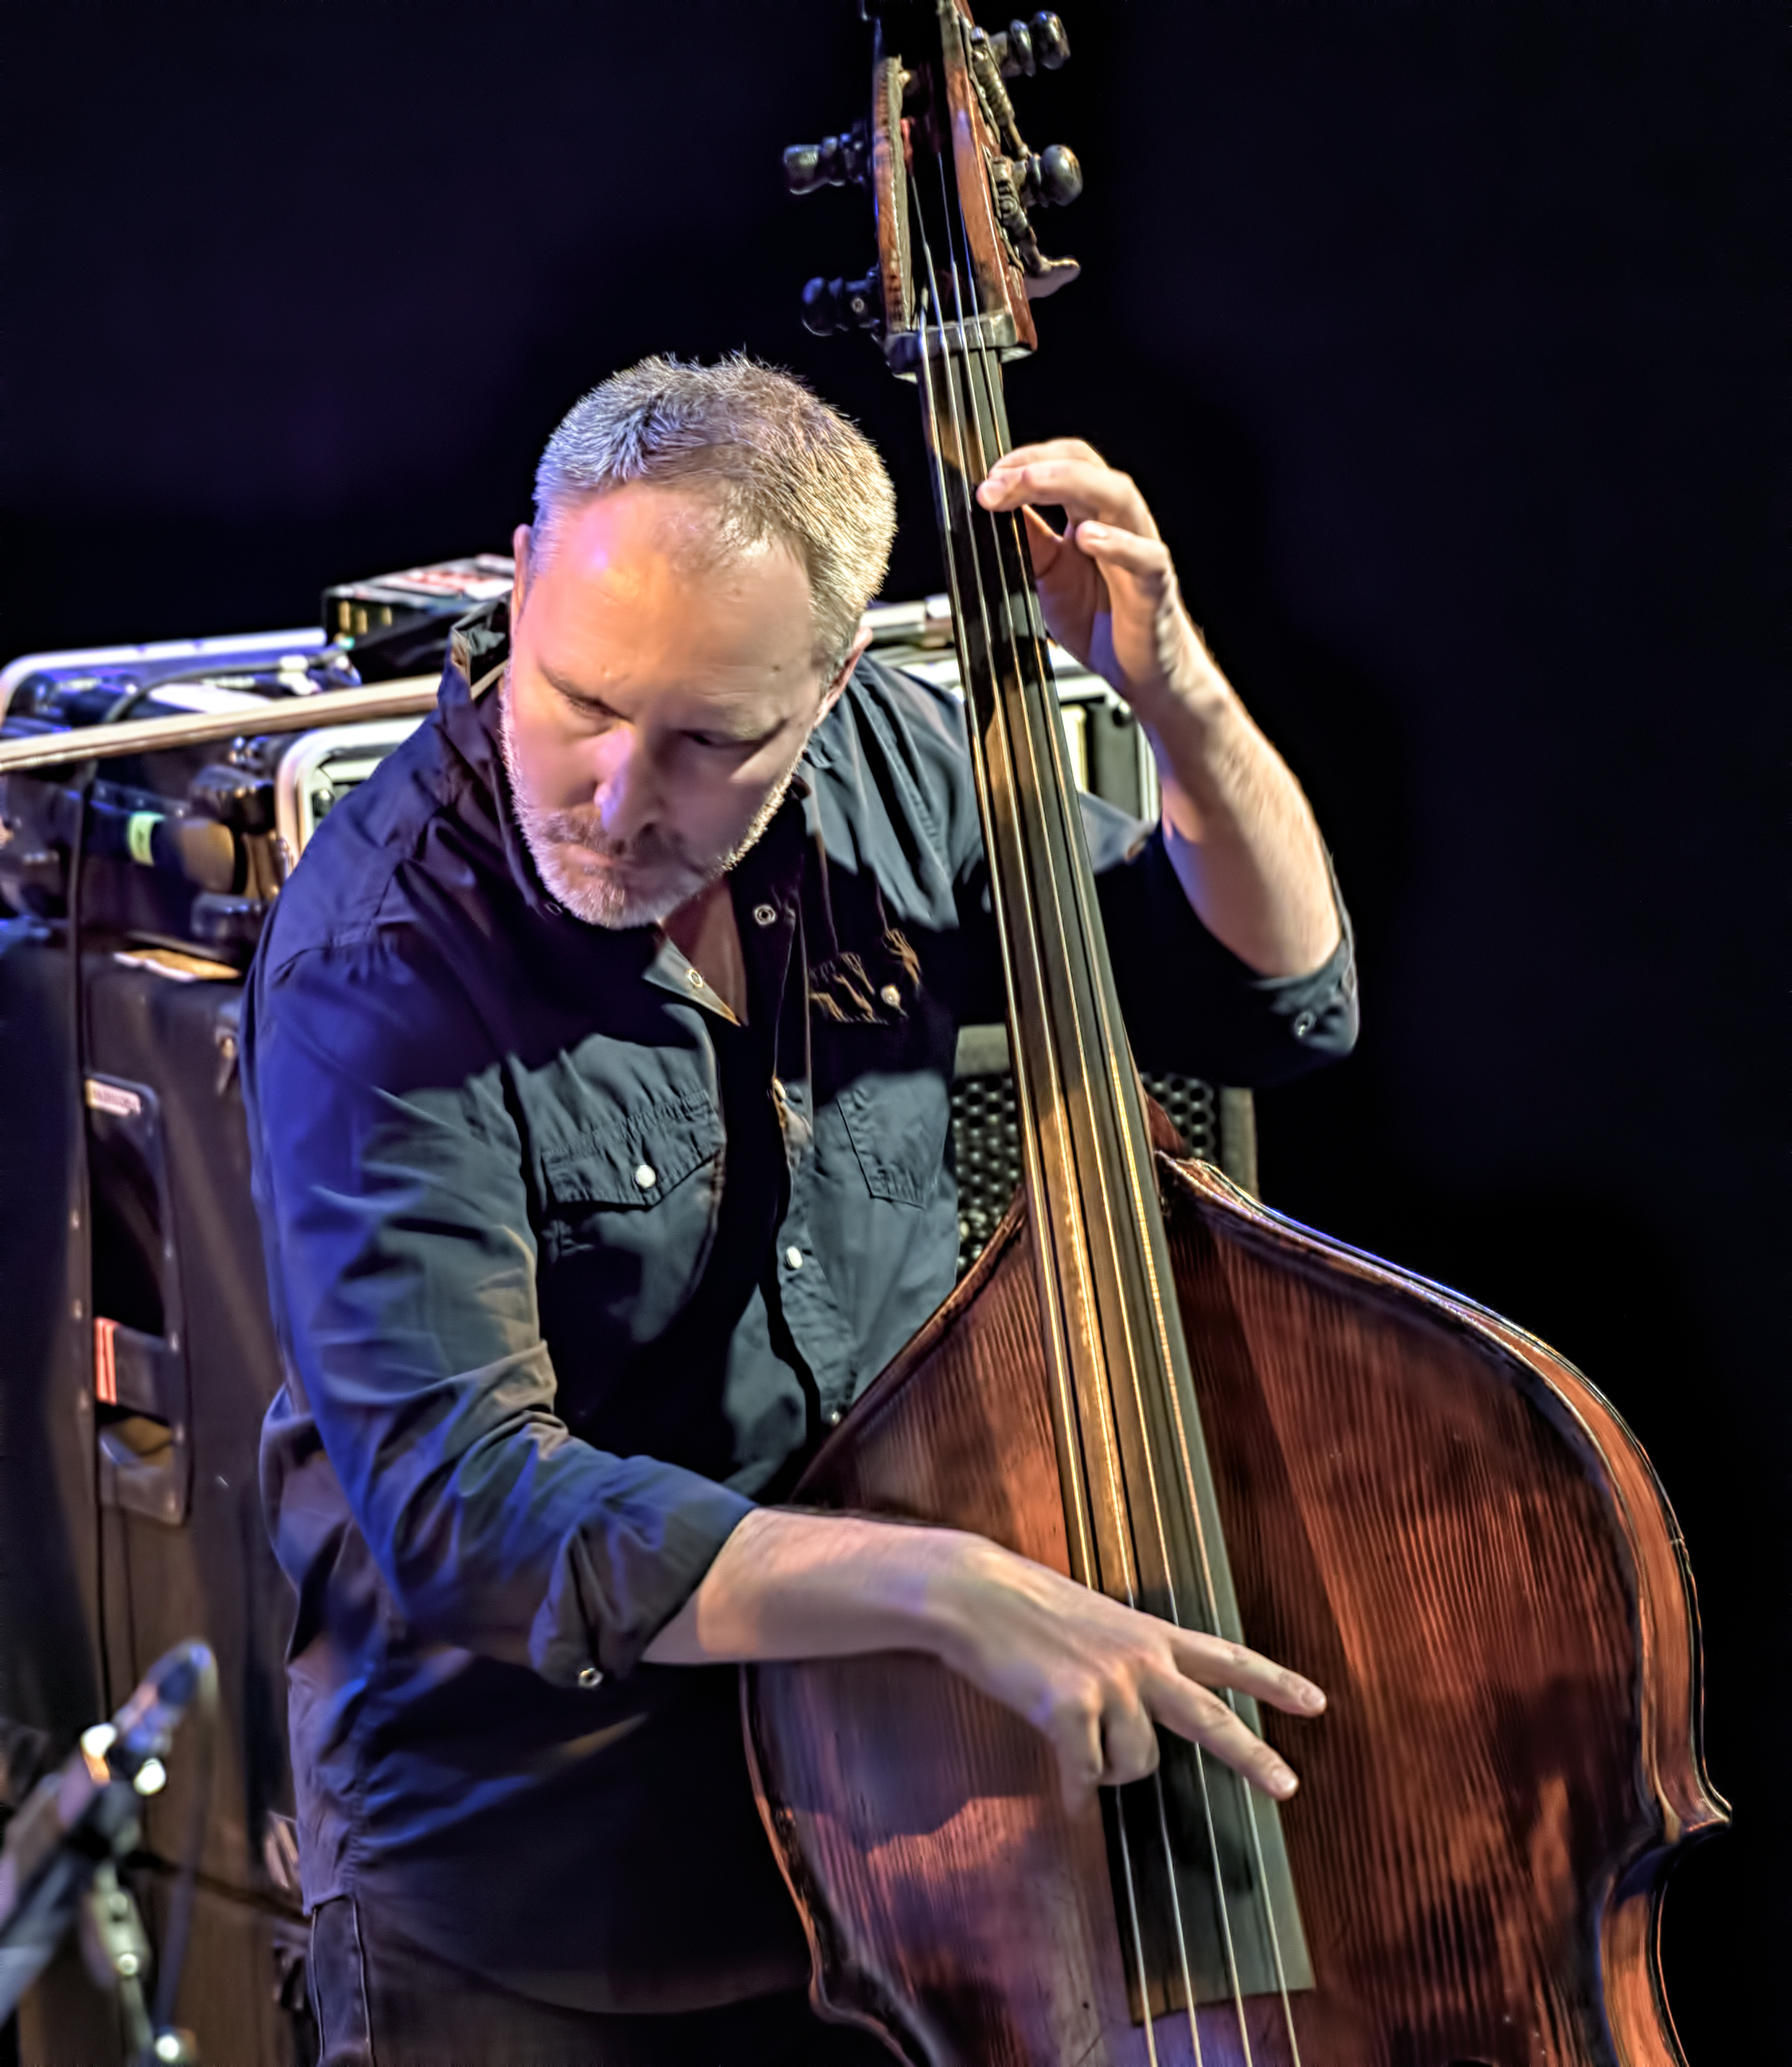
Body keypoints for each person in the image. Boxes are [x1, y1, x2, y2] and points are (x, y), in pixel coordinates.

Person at [244, 356, 1358, 2066]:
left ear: (833, 683)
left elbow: (1270, 999)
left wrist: (1173, 693)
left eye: (710, 741)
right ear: (523, 584)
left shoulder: (902, 769)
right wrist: (945, 1591)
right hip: (540, 1878)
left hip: (897, 1823)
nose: (618, 798)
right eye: (578, 703)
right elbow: (468, 1510)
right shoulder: (379, 965)